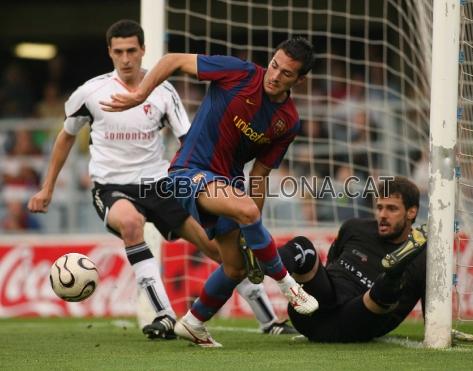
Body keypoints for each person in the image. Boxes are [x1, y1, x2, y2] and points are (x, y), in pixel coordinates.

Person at [28, 19, 296, 339]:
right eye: (119, 52)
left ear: (143, 51)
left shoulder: (163, 93)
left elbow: (189, 139)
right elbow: (65, 137)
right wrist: (47, 187)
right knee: (130, 223)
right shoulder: (90, 92)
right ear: (109, 53)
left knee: (219, 250)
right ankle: (164, 314)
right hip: (111, 186)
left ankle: (268, 320)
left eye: (132, 51)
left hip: (160, 183)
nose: (126, 58)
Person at [101, 35, 319, 347]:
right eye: (274, 65)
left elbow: (259, 174)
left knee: (234, 266)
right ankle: (288, 286)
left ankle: (193, 322)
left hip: (229, 184)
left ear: (300, 79)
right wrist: (140, 95)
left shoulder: (289, 122)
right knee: (246, 212)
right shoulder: (239, 72)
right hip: (187, 172)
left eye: (286, 73)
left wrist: (251, 224)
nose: (274, 76)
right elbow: (173, 59)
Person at [276, 176, 427, 342]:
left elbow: (429, 306)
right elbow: (329, 267)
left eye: (391, 209)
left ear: (411, 212)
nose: (382, 215)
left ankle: (394, 272)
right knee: (303, 246)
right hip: (313, 310)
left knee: (386, 289)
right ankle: (267, 262)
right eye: (379, 208)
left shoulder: (423, 259)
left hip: (356, 320)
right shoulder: (354, 227)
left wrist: (437, 329)